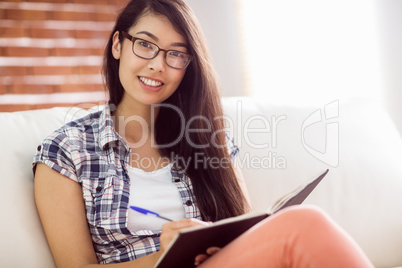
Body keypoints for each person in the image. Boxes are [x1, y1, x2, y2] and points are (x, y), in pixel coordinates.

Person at [33, 0, 374, 267]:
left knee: (296, 228)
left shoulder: (210, 139)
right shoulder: (67, 149)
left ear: (188, 66)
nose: (158, 65)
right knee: (304, 225)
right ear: (118, 45)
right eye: (145, 45)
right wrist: (163, 256)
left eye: (176, 54)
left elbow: (244, 232)